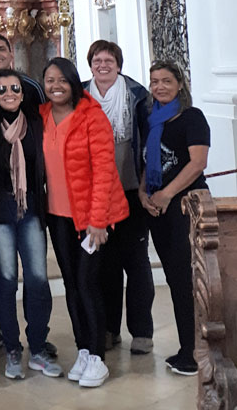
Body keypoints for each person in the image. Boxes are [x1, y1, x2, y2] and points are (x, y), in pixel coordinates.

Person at [40, 57, 129, 389]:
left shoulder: (92, 116)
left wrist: (98, 221)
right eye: (50, 80)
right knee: (72, 285)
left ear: (74, 82)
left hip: (90, 218)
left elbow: (105, 171)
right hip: (58, 216)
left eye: (62, 80)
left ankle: (98, 357)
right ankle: (83, 349)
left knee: (88, 284)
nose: (56, 86)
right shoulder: (44, 115)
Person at [0, 70, 63, 381]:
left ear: (22, 92)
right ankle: (12, 348)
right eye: (2, 88)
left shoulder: (34, 125)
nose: (8, 93)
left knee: (37, 277)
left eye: (14, 88)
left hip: (29, 207)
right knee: (5, 278)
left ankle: (38, 346)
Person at [0, 33, 45, 353]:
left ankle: (36, 337)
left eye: (2, 48)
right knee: (0, 272)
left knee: (35, 273)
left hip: (28, 199)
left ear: (11, 55)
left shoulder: (29, 89)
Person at [138, 60, 210, 377]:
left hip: (186, 206)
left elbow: (197, 164)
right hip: (158, 208)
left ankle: (196, 353)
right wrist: (144, 194)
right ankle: (186, 349)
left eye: (166, 81)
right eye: (154, 81)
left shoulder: (192, 117)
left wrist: (167, 194)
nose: (159, 87)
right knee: (174, 279)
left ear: (179, 84)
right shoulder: (153, 121)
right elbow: (146, 162)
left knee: (186, 281)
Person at [84, 40, 154, 354]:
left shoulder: (137, 96)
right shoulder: (81, 95)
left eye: (108, 60)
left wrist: (145, 185)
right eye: (97, 60)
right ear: (90, 64)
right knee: (107, 265)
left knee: (136, 262)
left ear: (118, 64)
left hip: (130, 190)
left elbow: (150, 146)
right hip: (98, 194)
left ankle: (141, 331)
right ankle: (111, 328)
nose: (102, 65)